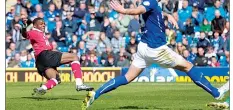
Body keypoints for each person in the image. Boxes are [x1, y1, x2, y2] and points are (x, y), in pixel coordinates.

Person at [82, 0, 227, 109]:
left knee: (126, 77)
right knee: (188, 67)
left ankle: (95, 94)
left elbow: (152, 11)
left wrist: (167, 15)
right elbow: (139, 10)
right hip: (156, 49)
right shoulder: (150, 1)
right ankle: (216, 93)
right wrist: (123, 10)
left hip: (143, 48)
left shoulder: (152, 4)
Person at [21, 18, 93, 95]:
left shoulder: (42, 35)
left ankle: (42, 88)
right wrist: (24, 26)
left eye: (44, 23)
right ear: (35, 26)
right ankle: (79, 84)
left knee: (56, 79)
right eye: (41, 24)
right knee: (74, 56)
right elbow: (25, 35)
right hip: (44, 55)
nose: (43, 25)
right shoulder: (34, 32)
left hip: (40, 62)